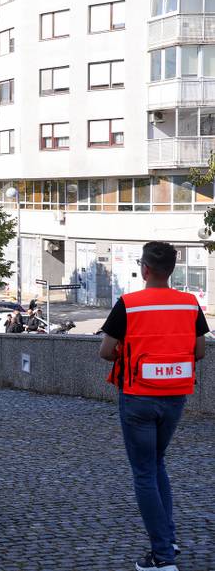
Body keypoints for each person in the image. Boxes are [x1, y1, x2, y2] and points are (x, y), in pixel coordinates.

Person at [99, 242, 208, 571]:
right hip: (175, 396)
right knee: (157, 464)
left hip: (138, 397)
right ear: (171, 270)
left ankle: (162, 557)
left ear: (144, 268)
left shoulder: (129, 304)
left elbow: (106, 351)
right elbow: (199, 351)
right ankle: (169, 539)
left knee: (145, 471)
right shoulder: (190, 304)